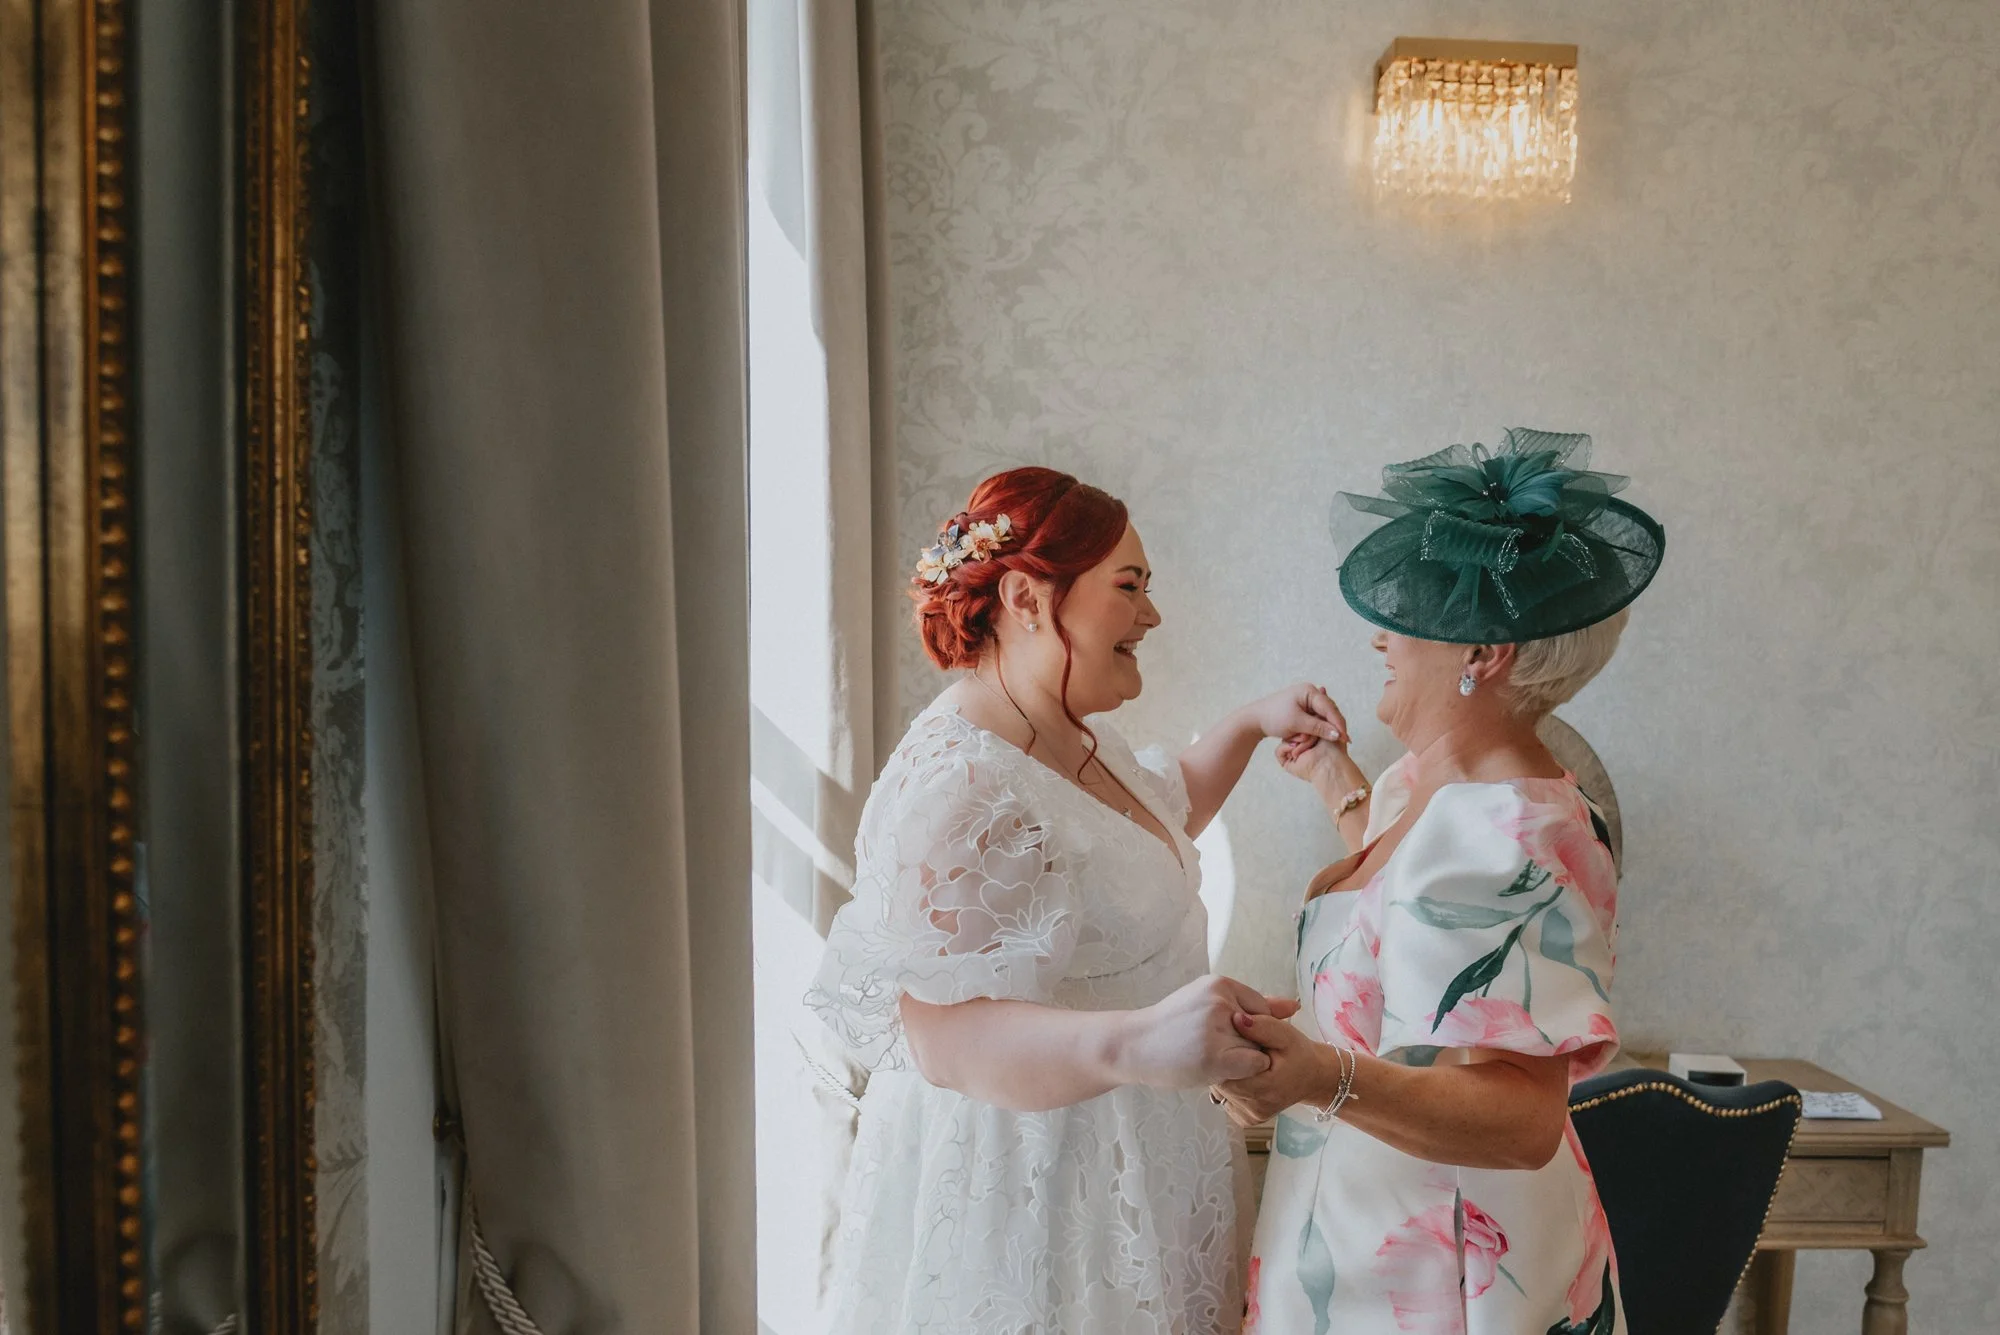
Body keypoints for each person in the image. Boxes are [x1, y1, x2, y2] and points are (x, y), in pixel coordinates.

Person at [808, 465, 1345, 1334]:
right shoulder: (957, 780)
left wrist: (1250, 722)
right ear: (1026, 596)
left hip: (1145, 1161)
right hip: (1044, 1198)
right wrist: (1139, 1038)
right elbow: (942, 1035)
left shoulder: (1070, 737)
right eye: (1128, 587)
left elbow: (1147, 834)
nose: (1152, 614)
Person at [1216, 429, 1665, 1335]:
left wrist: (1315, 1073)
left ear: (1483, 651)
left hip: (1445, 1274)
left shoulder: (1519, 831)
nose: (1381, 634)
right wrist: (1334, 777)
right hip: (1351, 1224)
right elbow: (1413, 906)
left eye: (1409, 611)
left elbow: (1519, 1120)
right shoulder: (1425, 785)